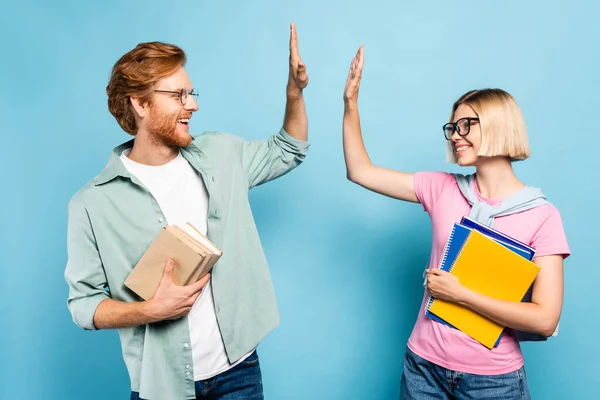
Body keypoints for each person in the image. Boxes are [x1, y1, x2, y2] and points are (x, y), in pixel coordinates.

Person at [64, 23, 309, 400]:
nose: (192, 104)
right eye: (179, 95)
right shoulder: (92, 204)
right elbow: (83, 306)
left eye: (190, 93)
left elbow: (288, 149)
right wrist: (150, 310)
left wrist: (294, 94)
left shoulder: (222, 154)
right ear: (140, 104)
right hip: (162, 386)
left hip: (239, 373)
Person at [342, 46, 569, 399]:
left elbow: (545, 319)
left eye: (467, 125)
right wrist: (350, 103)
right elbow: (360, 171)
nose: (455, 134)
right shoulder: (441, 188)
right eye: (452, 127)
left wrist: (460, 295)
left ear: (499, 125)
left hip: (493, 381)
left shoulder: (542, 216)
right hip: (423, 369)